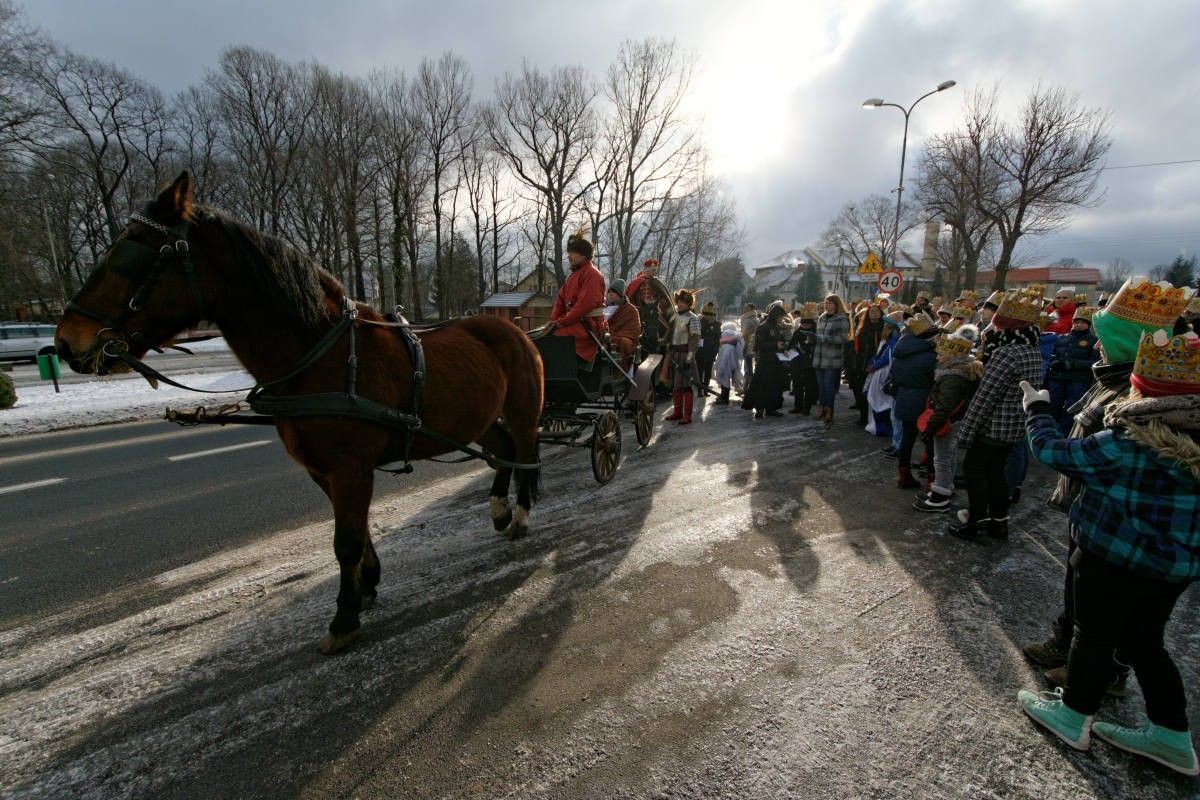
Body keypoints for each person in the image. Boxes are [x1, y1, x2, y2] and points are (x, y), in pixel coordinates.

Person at [1015, 329, 1200, 776]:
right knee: (1145, 642)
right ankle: (1172, 735)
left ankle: (1075, 715)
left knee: (1093, 635)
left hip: (1113, 557)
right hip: (1173, 567)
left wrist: (1038, 409)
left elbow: (1054, 450)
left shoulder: (1129, 443)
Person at [1021, 277, 1194, 687]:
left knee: (1110, 612)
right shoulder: (1112, 376)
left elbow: (1082, 450)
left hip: (1118, 517)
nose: (1097, 345)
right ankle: (1066, 643)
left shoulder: (1145, 391)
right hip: (1090, 503)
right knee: (1078, 586)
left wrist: (1038, 414)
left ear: (1128, 342)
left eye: (1104, 338)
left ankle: (1099, 672)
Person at [950, 288, 1044, 542]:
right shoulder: (1033, 352)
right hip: (1014, 427)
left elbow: (985, 397)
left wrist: (966, 434)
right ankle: (998, 523)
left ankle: (976, 523)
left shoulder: (1006, 354)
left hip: (993, 426)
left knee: (975, 470)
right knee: (996, 473)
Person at [912, 333, 981, 512]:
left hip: (948, 422)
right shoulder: (958, 372)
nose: (937, 357)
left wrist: (929, 428)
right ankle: (945, 488)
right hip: (955, 420)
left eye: (941, 354)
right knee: (948, 456)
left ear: (952, 357)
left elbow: (944, 407)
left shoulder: (952, 377)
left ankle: (940, 497)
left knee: (941, 458)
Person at [889, 315, 939, 489]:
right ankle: (933, 480)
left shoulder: (900, 353)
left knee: (907, 439)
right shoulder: (930, 356)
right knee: (931, 441)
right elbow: (934, 380)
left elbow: (894, 377)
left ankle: (904, 474)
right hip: (925, 401)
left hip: (904, 398)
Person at [546, 233, 605, 363]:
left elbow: (584, 305)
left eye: (572, 252)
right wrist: (553, 321)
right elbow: (560, 301)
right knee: (543, 334)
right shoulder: (573, 276)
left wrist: (561, 323)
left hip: (587, 327)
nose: (569, 256)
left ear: (583, 255)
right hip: (574, 322)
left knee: (554, 338)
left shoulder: (592, 274)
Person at [1046, 306, 1100, 432]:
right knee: (1053, 405)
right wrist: (1054, 362)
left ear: (1088, 324)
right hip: (1057, 377)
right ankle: (1049, 431)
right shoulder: (1061, 338)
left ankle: (1064, 433)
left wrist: (1072, 363)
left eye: (1082, 322)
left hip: (1078, 380)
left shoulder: (1093, 341)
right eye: (1076, 321)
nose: (1078, 324)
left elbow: (1093, 362)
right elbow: (1050, 355)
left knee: (1071, 408)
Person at [743, 300, 789, 418]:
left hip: (775, 361)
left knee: (773, 387)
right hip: (765, 361)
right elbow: (758, 345)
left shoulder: (777, 326)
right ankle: (759, 409)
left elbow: (781, 340)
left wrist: (784, 348)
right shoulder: (763, 327)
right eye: (781, 317)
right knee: (762, 386)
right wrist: (775, 345)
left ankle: (771, 408)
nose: (782, 319)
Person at [663, 289, 702, 424]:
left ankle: (687, 415)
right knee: (676, 386)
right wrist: (663, 343)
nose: (680, 304)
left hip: (686, 355)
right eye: (679, 302)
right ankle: (677, 412)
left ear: (689, 304)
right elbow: (670, 333)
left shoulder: (693, 318)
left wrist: (689, 359)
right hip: (674, 355)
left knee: (686, 387)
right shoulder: (675, 317)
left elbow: (694, 340)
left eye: (683, 302)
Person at [812, 294, 850, 426]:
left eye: (830, 303)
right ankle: (822, 408)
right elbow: (818, 335)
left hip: (832, 359)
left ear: (836, 304)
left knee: (829, 386)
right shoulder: (822, 317)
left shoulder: (842, 318)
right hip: (819, 357)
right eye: (825, 302)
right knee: (821, 386)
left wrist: (825, 339)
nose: (826, 305)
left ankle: (829, 410)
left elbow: (844, 338)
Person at [867, 310, 903, 442]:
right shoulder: (889, 337)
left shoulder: (894, 336)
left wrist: (874, 365)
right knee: (879, 398)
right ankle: (879, 426)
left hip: (884, 371)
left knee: (880, 399)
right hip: (881, 369)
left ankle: (882, 427)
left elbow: (887, 356)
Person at [848, 303, 887, 426]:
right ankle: (864, 417)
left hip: (877, 365)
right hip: (861, 364)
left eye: (877, 311)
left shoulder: (884, 328)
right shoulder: (862, 329)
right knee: (862, 392)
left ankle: (876, 419)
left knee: (875, 392)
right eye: (871, 311)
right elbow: (856, 347)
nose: (874, 313)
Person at [604, 278, 641, 375]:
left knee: (624, 342)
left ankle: (620, 374)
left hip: (623, 339)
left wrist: (615, 336)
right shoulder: (605, 308)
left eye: (614, 292)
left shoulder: (631, 310)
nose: (611, 294)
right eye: (609, 292)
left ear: (620, 294)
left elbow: (634, 330)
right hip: (605, 337)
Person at [789, 303, 820, 415]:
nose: (805, 326)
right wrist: (791, 349)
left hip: (810, 363)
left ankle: (806, 408)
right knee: (797, 386)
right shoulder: (797, 332)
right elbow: (791, 344)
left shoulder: (815, 333)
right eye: (803, 324)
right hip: (797, 362)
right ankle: (797, 406)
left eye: (807, 324)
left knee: (809, 387)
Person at [713, 321, 744, 405]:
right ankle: (724, 397)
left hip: (726, 359)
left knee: (724, 378)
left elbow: (722, 351)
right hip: (733, 359)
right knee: (727, 378)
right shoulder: (736, 336)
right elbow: (740, 352)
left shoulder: (724, 335)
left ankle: (724, 398)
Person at [696, 301, 721, 389]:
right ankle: (699, 387)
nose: (706, 316)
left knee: (708, 371)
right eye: (704, 314)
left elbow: (718, 339)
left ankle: (706, 387)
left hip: (710, 351)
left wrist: (715, 352)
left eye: (708, 314)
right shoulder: (699, 322)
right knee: (699, 370)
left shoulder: (716, 324)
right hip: (700, 351)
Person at [739, 303, 759, 385]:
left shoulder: (748, 320)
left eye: (746, 307)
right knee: (749, 368)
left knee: (748, 368)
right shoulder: (756, 319)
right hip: (754, 346)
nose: (744, 309)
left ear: (750, 309)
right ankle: (746, 387)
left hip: (747, 345)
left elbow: (744, 334)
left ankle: (748, 388)